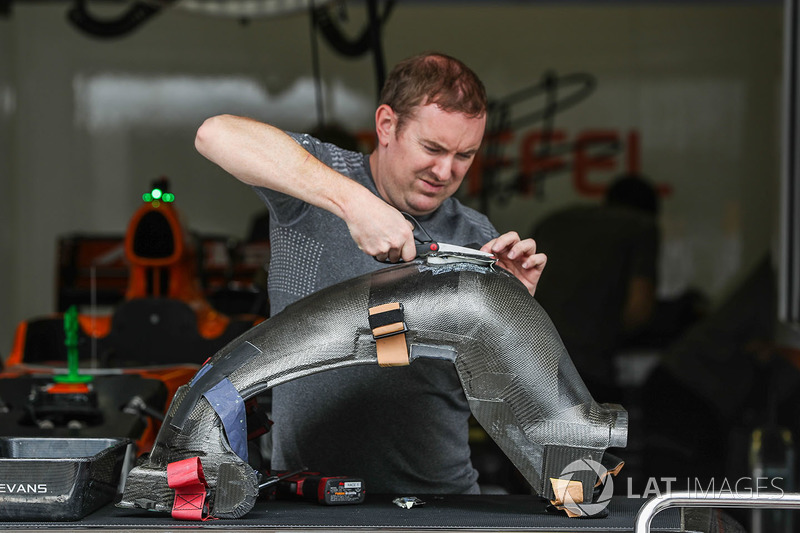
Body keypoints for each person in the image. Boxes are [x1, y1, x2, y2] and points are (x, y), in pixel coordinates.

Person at [194, 52, 546, 494]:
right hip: (310, 498)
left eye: (465, 155)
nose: (445, 171)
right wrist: (354, 203)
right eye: (432, 148)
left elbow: (508, 405)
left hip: (439, 500)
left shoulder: (475, 237)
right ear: (386, 125)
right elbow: (214, 134)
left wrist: (515, 316)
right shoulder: (318, 182)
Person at [531, 173, 660, 402]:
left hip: (525, 360)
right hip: (585, 368)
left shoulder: (555, 220)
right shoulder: (642, 226)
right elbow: (639, 310)